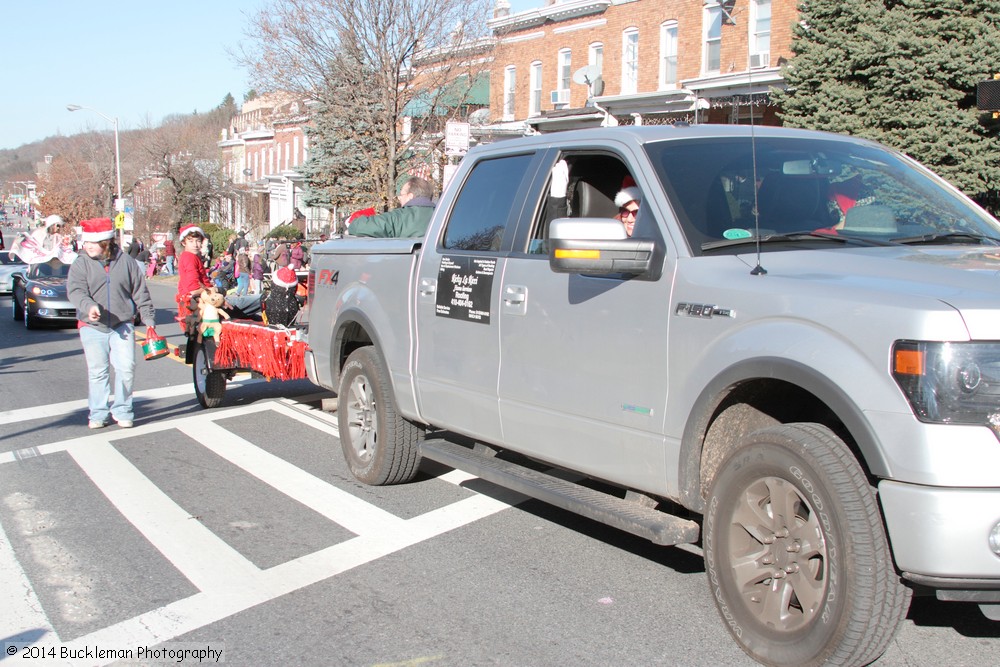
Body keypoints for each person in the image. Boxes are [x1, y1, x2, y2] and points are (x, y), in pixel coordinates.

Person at [67, 218, 156, 430]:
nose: (87, 246)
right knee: (98, 371)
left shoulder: (126, 262)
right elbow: (76, 291)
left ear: (105, 243)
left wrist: (149, 321)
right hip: (91, 326)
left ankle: (123, 410)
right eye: (85, 242)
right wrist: (89, 306)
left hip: (122, 324)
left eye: (92, 242)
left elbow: (140, 294)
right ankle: (98, 413)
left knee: (126, 368)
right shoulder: (81, 263)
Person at [348, 176, 435, 238]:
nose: (399, 198)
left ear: (410, 196)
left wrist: (352, 222)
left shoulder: (399, 217)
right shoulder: (443, 216)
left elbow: (364, 226)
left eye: (401, 195)